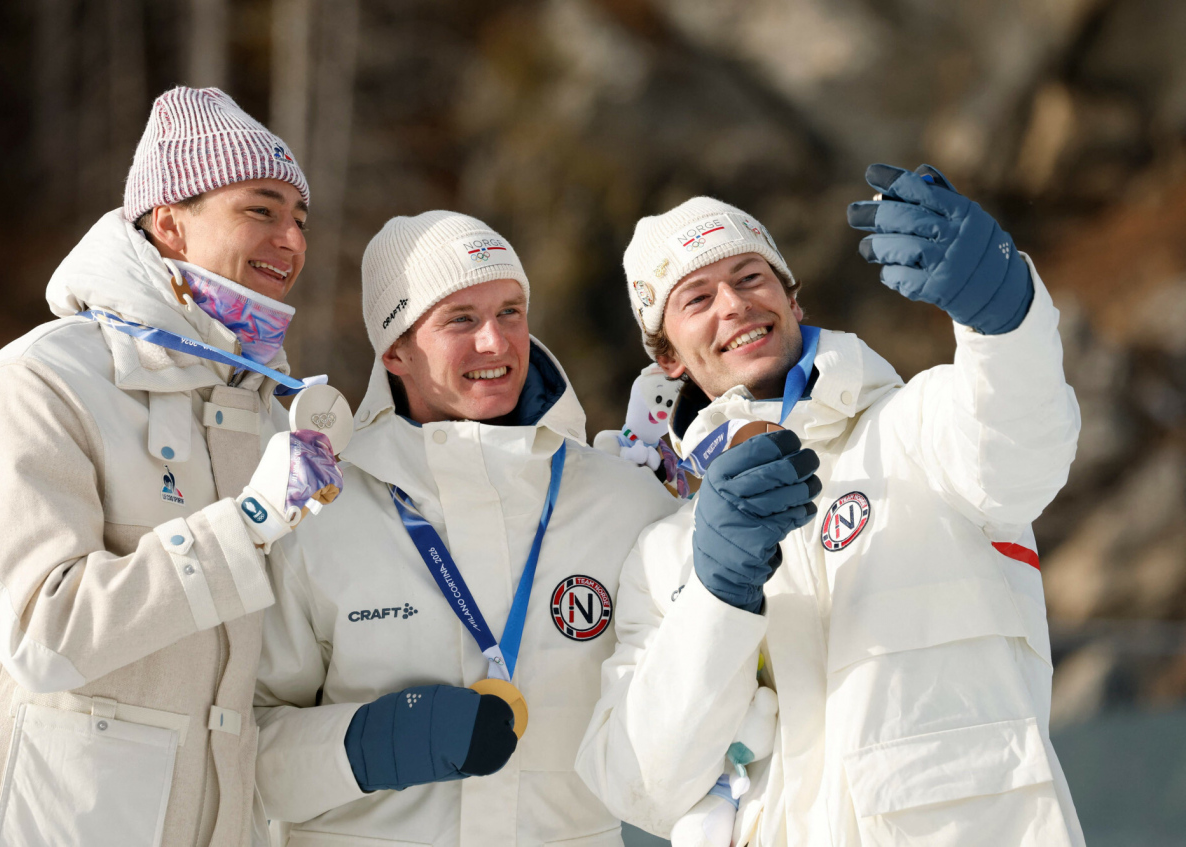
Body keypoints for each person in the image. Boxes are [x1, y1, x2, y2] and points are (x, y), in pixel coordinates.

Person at [575, 165, 1085, 846]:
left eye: (752, 277)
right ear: (667, 355)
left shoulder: (915, 429)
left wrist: (1008, 318)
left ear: (794, 300)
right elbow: (640, 781)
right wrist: (717, 595)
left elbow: (1025, 452)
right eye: (696, 297)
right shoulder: (663, 553)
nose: (733, 303)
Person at [0, 86, 341, 847]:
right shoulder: (39, 384)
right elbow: (46, 634)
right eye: (261, 209)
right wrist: (246, 525)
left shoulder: (265, 413)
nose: (292, 240)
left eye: (301, 220)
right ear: (170, 221)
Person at [253, 211, 682, 846]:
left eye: (511, 311)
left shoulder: (623, 502)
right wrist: (365, 746)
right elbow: (244, 749)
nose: (497, 342)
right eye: (461, 319)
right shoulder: (321, 511)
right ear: (394, 349)